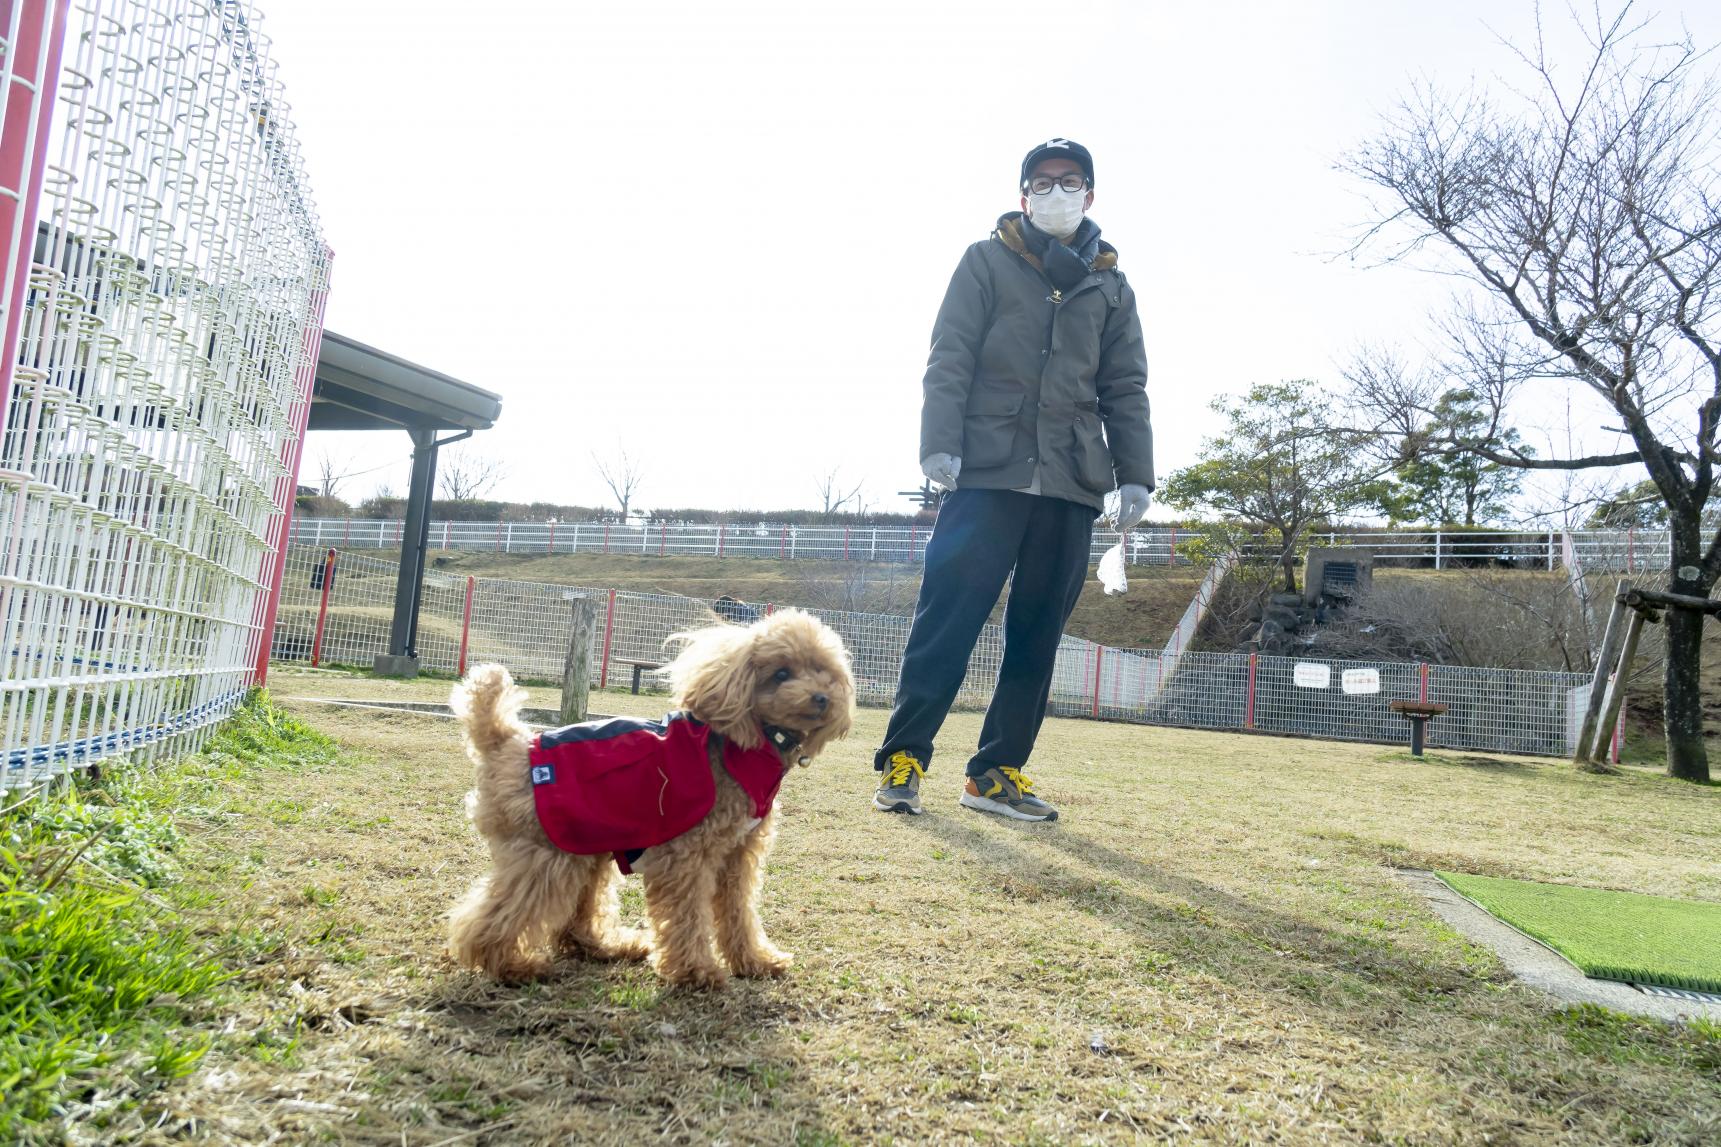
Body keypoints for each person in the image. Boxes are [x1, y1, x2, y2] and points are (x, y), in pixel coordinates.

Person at [872, 138, 1152, 822]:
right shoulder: (985, 261)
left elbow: (1125, 385)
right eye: (1042, 182)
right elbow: (949, 356)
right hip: (985, 474)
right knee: (947, 620)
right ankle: (904, 757)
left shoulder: (1111, 285)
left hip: (1071, 482)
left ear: (1090, 193)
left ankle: (995, 771)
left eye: (1070, 181)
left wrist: (1135, 474)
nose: (1055, 192)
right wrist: (937, 443)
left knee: (1036, 636)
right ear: (1023, 193)